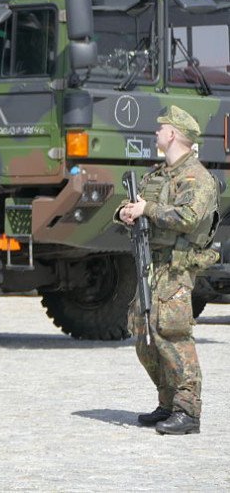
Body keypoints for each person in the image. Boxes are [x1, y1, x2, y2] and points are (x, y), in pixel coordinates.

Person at [117, 105, 219, 435]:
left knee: (173, 335)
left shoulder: (198, 178)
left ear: (173, 133)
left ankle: (188, 412)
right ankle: (168, 402)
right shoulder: (156, 176)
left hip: (176, 268)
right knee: (144, 336)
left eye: (161, 128)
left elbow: (188, 217)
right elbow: (133, 204)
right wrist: (126, 212)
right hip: (150, 264)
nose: (156, 133)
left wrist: (149, 209)